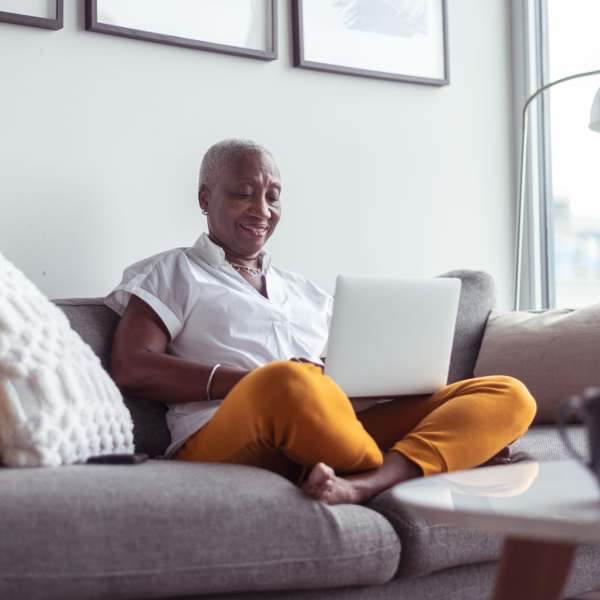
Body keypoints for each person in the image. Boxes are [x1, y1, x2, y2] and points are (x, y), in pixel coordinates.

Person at [104, 138, 537, 506]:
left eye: (273, 196)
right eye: (243, 194)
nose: (262, 209)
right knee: (288, 382)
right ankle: (432, 460)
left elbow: (345, 372)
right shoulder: (173, 272)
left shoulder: (306, 292)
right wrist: (254, 380)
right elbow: (132, 365)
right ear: (204, 198)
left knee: (508, 393)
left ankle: (364, 482)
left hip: (333, 424)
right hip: (227, 434)